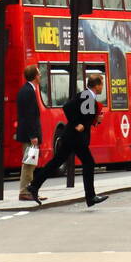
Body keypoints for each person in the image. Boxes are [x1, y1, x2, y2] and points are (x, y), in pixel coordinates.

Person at [28, 75, 107, 207]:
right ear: (97, 85)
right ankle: (90, 197)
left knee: (56, 162)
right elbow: (67, 107)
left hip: (71, 137)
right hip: (76, 138)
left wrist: (93, 121)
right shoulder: (87, 96)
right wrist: (77, 123)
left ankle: (34, 186)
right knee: (89, 163)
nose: (102, 88)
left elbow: (84, 115)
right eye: (101, 85)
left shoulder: (86, 95)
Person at [16, 65, 45, 202]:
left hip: (29, 134)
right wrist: (33, 135)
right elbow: (29, 116)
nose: (40, 76)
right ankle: (25, 191)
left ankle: (31, 191)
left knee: (31, 164)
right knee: (28, 164)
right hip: (30, 136)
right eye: (39, 74)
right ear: (35, 76)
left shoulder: (27, 90)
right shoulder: (28, 91)